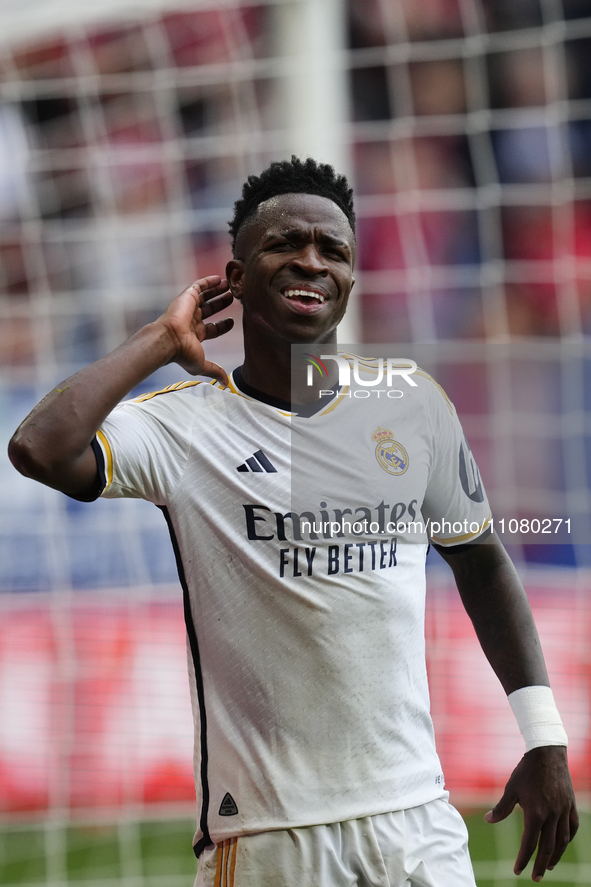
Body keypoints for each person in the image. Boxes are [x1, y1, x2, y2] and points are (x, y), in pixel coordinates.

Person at [9, 156, 578, 885]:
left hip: (415, 822)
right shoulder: (184, 428)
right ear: (234, 278)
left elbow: (481, 558)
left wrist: (543, 739)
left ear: (348, 279)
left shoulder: (410, 404)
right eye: (285, 244)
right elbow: (38, 446)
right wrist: (160, 336)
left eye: (332, 250)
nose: (310, 260)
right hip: (269, 835)